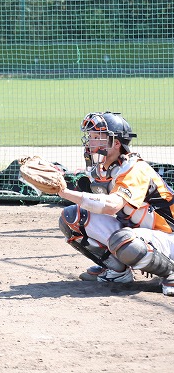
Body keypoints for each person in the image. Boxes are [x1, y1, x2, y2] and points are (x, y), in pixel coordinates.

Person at [58, 111, 174, 296]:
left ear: (116, 143)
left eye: (97, 137)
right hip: (142, 233)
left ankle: (170, 272)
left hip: (168, 237)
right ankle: (118, 271)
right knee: (73, 217)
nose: (90, 142)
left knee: (123, 239)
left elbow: (112, 205)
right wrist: (56, 178)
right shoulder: (102, 169)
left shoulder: (135, 169)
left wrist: (64, 192)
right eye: (90, 137)